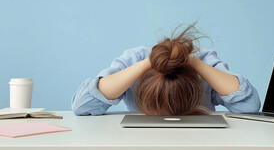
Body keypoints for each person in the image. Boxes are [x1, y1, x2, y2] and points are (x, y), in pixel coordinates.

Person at [71, 24, 261, 116]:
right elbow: (82, 106)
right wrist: (147, 63)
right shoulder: (135, 60)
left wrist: (194, 63)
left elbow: (249, 107)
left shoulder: (203, 61)